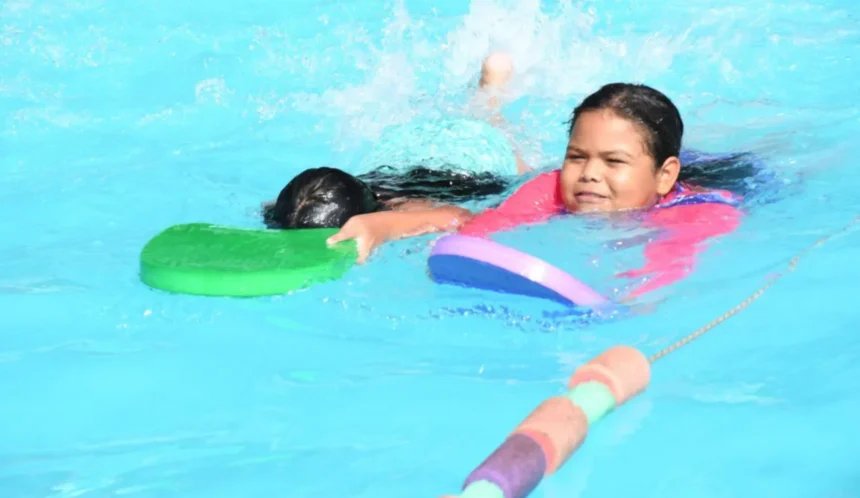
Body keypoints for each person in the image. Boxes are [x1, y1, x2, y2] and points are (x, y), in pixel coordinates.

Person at [326, 80, 746, 301]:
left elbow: (661, 276)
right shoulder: (554, 190)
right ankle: (490, 97)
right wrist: (380, 226)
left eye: (612, 162)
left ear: (664, 176)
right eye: (577, 156)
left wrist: (628, 300)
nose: (589, 175)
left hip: (731, 174)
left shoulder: (705, 213)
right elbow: (473, 228)